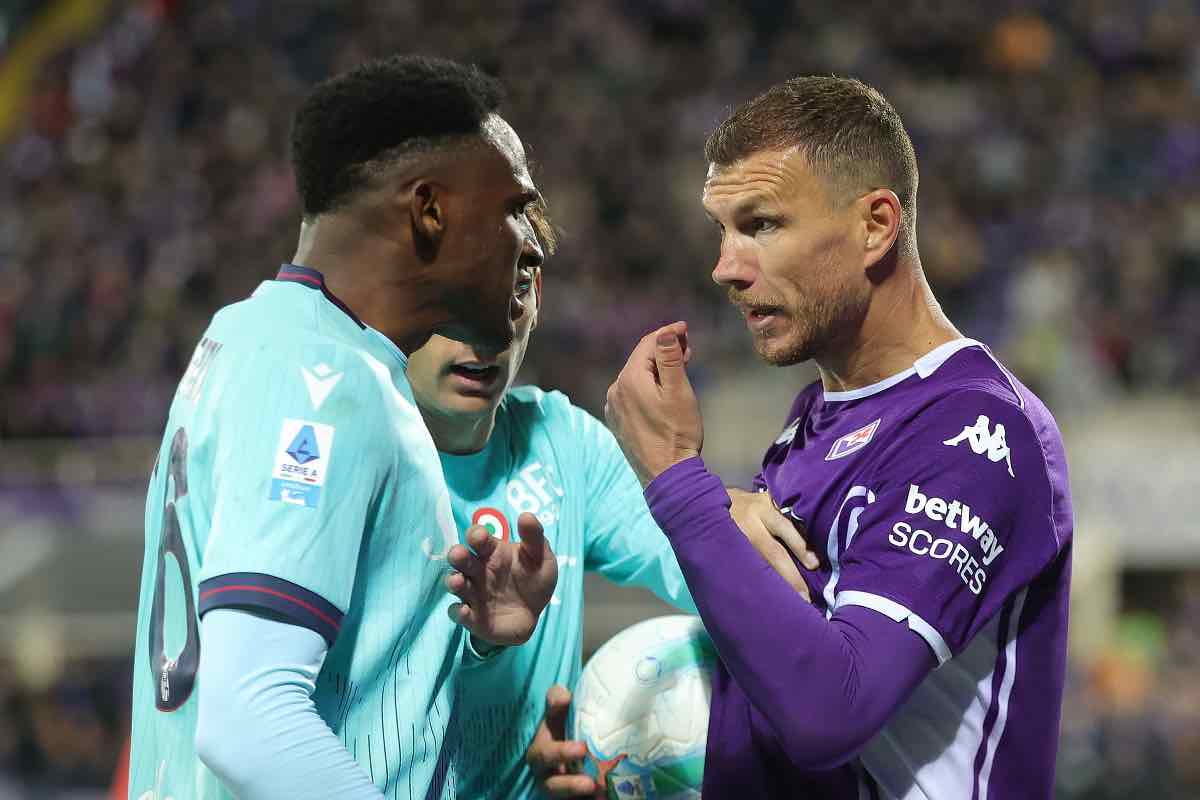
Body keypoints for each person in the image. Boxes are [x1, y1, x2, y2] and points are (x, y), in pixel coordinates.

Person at [605, 76, 1074, 799]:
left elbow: (831, 711)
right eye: (722, 231)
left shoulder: (979, 433)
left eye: (761, 224)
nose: (726, 267)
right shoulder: (817, 418)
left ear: (876, 226)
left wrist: (678, 481)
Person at [129, 55, 558, 800]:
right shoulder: (321, 380)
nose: (527, 238)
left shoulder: (252, 334)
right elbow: (249, 719)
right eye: (511, 206)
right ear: (430, 210)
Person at [404, 207, 818, 799]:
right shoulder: (351, 450)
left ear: (536, 295)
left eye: (512, 291)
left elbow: (713, 564)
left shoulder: (563, 443)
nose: (486, 331)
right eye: (453, 297)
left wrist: (724, 508)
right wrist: (488, 646)